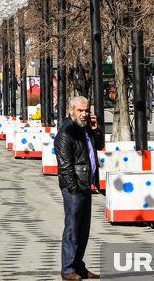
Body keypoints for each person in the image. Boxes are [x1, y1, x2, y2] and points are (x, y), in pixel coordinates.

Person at [55, 96, 104, 281]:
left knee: (83, 229)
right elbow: (65, 167)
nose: (84, 114)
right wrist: (74, 188)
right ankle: (67, 269)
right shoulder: (66, 132)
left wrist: (95, 128)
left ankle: (79, 266)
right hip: (74, 188)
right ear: (71, 110)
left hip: (86, 185)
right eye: (80, 111)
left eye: (86, 110)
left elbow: (99, 145)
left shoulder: (84, 128)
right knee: (72, 229)